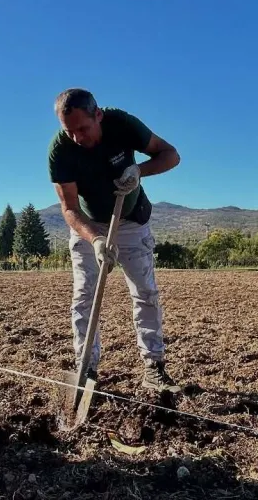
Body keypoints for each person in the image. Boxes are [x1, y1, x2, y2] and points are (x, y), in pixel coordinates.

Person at [48, 88, 182, 393]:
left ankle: (154, 367)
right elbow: (69, 207)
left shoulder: (122, 124)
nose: (78, 138)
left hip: (132, 219)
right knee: (85, 296)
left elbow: (171, 154)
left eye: (83, 128)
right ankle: (87, 368)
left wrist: (139, 170)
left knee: (145, 293)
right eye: (70, 132)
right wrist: (95, 240)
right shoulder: (60, 151)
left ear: (98, 115)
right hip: (89, 226)